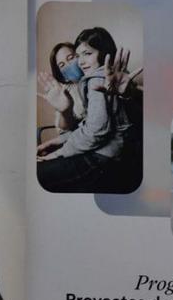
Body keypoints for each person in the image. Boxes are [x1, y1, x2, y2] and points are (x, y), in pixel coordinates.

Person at [36, 27, 142, 193]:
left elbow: (96, 130)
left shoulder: (98, 79)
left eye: (73, 57)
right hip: (94, 148)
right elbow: (88, 126)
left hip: (104, 156)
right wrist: (59, 133)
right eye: (62, 65)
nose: (79, 62)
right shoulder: (70, 89)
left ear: (103, 54)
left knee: (40, 175)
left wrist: (58, 153)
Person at [38, 42, 87, 133]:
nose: (68, 65)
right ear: (63, 75)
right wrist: (65, 112)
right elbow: (63, 128)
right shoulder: (63, 92)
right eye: (62, 65)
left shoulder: (98, 77)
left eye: (71, 58)